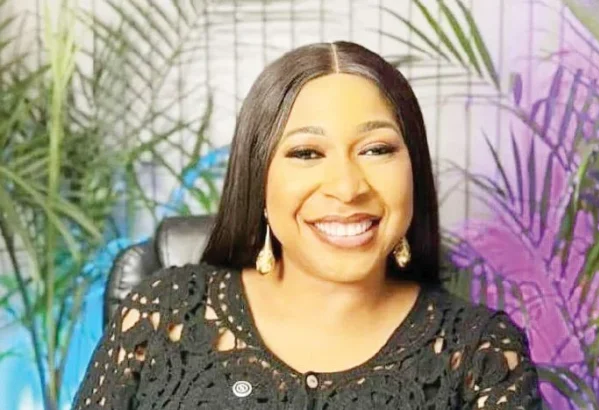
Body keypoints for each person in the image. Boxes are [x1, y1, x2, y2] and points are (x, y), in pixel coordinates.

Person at [72, 41, 542, 409]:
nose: (347, 187)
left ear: (413, 168)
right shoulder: (163, 315)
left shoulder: (479, 354)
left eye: (376, 149)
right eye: (306, 153)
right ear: (258, 179)